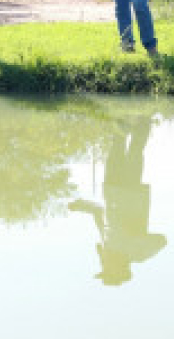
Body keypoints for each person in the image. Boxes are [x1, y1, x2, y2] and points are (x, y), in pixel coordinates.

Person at [68, 115, 166, 286]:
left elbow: (99, 212)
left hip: (111, 189)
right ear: (121, 270)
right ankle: (144, 119)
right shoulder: (137, 255)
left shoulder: (107, 243)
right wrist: (134, 239)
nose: (103, 265)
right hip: (130, 192)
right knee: (135, 151)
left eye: (103, 268)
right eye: (106, 270)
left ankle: (123, 119)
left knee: (116, 147)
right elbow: (162, 241)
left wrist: (80, 206)